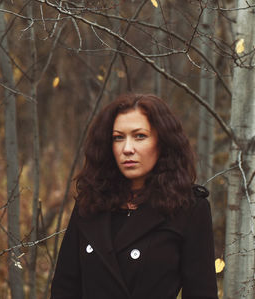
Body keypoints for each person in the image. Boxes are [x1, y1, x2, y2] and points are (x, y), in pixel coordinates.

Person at [50, 93, 218, 299]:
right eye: (118, 138)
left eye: (140, 136)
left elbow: (201, 293)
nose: (127, 149)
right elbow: (64, 288)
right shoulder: (91, 202)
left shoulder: (188, 208)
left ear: (162, 142)